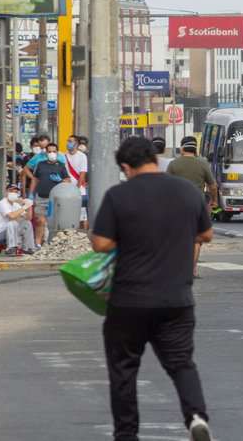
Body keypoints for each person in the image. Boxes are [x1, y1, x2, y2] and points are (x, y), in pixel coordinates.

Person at [90, 136, 213, 441]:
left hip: (129, 301)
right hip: (176, 300)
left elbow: (101, 243)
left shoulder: (119, 195)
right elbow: (206, 235)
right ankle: (196, 417)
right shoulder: (186, 191)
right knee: (182, 364)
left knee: (124, 370)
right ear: (156, 159)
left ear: (125, 166)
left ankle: (127, 434)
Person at [167, 136, 217, 279]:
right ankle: (192, 270)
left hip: (177, 206)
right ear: (195, 149)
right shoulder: (202, 164)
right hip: (197, 205)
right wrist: (213, 201)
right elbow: (212, 186)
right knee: (196, 239)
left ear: (182, 148)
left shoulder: (174, 164)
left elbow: (167, 185)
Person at [28, 143, 71, 249]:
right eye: (49, 151)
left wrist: (60, 180)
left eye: (54, 151)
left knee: (54, 223)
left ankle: (54, 244)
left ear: (57, 153)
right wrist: (30, 194)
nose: (52, 153)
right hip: (41, 197)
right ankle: (37, 244)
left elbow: (68, 180)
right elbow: (34, 179)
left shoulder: (61, 165)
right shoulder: (40, 164)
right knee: (40, 221)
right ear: (46, 153)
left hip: (56, 199)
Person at [0, 184, 34, 256]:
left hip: (9, 231)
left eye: (15, 192)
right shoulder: (2, 203)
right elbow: (11, 216)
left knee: (27, 223)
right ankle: (11, 248)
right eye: (11, 191)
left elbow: (28, 218)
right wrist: (24, 207)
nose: (13, 193)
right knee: (12, 223)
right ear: (6, 193)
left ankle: (27, 248)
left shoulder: (16, 205)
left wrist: (29, 207)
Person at [63, 134, 89, 230]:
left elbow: (82, 174)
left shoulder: (82, 156)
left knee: (82, 215)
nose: (68, 143)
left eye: (70, 141)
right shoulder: (64, 156)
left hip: (80, 191)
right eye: (67, 141)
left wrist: (77, 189)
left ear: (76, 144)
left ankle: (84, 234)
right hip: (67, 191)